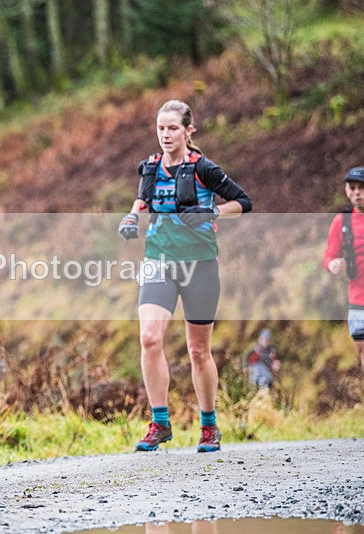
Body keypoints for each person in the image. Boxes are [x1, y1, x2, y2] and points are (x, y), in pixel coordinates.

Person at [118, 100, 252, 453]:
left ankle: (209, 426)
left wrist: (212, 211)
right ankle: (160, 423)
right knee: (149, 338)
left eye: (173, 128)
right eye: (161, 128)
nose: (165, 134)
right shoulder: (150, 168)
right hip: (158, 261)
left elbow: (243, 202)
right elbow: (143, 200)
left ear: (188, 131)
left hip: (200, 265)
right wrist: (131, 217)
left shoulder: (203, 168)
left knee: (198, 350)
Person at [324, 166, 364, 371]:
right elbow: (329, 254)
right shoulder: (342, 222)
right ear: (347, 191)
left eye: (362, 188)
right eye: (353, 188)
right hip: (357, 300)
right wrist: (332, 265)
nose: (357, 193)